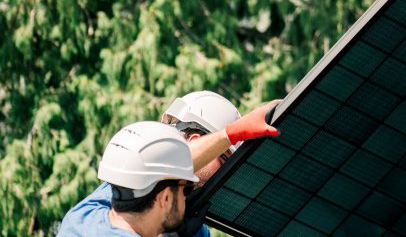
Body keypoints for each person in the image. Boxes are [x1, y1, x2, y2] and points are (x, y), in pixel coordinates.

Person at [57, 96, 280, 237]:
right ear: (164, 198)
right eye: (223, 159)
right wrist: (231, 134)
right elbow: (167, 163)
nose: (225, 173)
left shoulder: (84, 217)